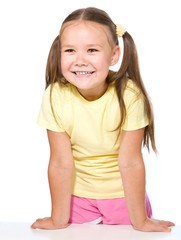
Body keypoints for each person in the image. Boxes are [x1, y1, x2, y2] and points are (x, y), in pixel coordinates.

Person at [31, 7, 174, 232]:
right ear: (59, 53)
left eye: (91, 50)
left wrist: (141, 221)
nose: (80, 60)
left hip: (124, 200)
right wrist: (57, 219)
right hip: (76, 202)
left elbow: (131, 162)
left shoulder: (129, 95)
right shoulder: (54, 96)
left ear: (114, 55)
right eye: (70, 50)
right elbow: (60, 163)